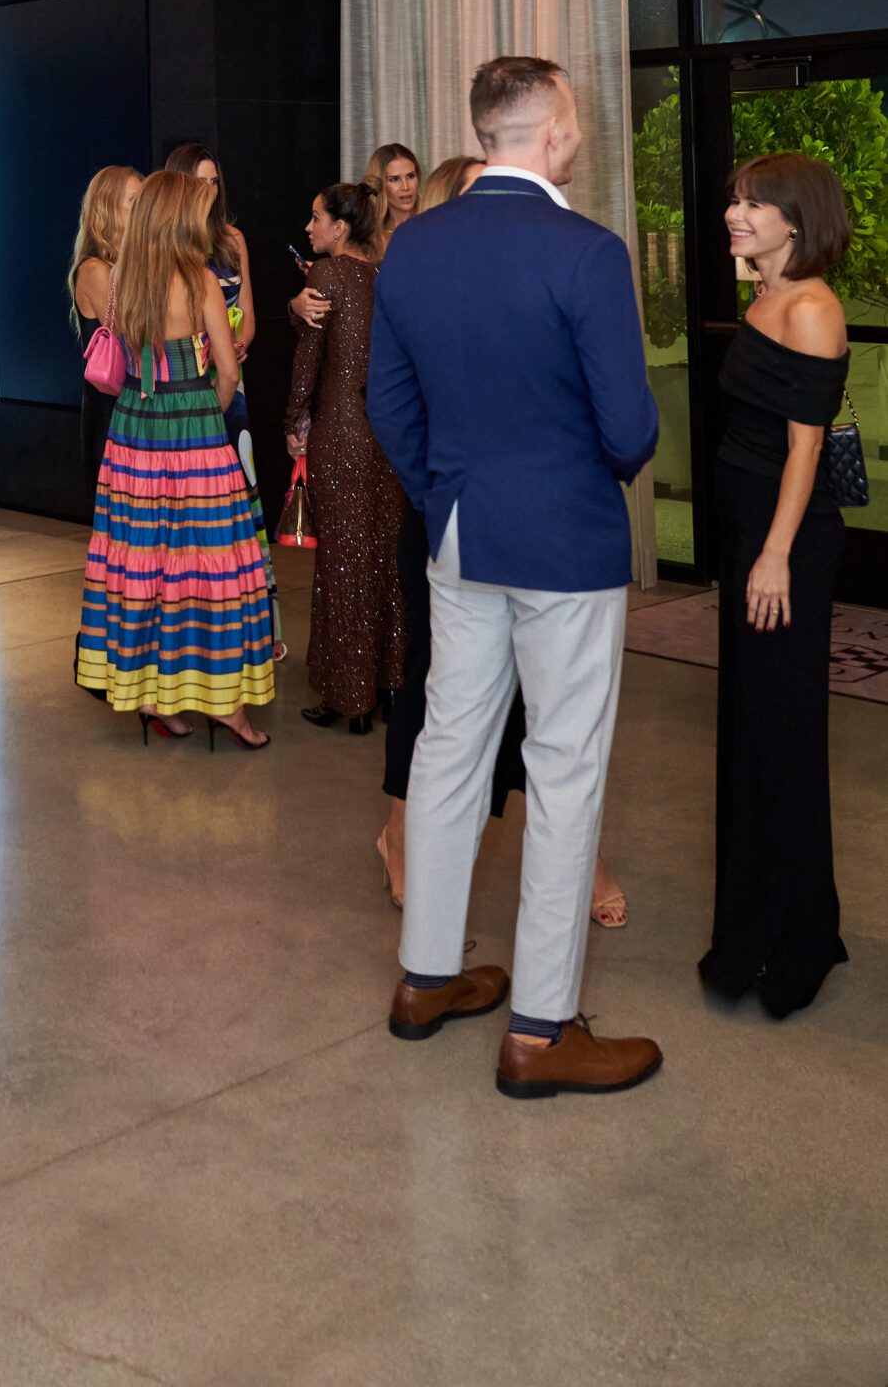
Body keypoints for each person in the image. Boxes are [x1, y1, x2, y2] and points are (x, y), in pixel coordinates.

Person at [367, 57, 663, 1100]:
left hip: (460, 533)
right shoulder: (587, 252)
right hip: (569, 544)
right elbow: (629, 427)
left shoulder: (414, 248)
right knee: (564, 761)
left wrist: (447, 492)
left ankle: (426, 978)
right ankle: (540, 1028)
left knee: (451, 748)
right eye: (576, 116)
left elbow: (389, 404)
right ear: (554, 129)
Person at [375, 153, 628, 931]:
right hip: (464, 512)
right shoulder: (435, 272)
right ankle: (400, 837)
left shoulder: (487, 265)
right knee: (456, 708)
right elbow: (393, 401)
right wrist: (436, 493)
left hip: (486, 510)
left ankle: (435, 965)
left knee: (508, 718)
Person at [701, 153, 853, 1016]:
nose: (736, 212)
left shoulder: (810, 308)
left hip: (784, 543)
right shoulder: (761, 296)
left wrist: (772, 553)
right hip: (750, 533)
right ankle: (753, 925)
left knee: (782, 731)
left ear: (795, 219)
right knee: (751, 729)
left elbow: (804, 447)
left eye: (754, 203)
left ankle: (796, 938)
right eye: (734, 200)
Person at [75, 169, 275, 747]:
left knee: (144, 567)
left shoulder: (125, 279)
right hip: (193, 431)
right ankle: (225, 708)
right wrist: (204, 412)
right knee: (211, 568)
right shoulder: (200, 281)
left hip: (134, 431)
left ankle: (151, 698)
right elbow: (230, 372)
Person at [287, 182, 405, 735]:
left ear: (340, 227)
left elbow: (309, 357)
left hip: (339, 433)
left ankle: (347, 697)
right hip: (387, 438)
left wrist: (294, 422)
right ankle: (385, 684)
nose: (309, 228)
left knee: (341, 566)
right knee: (382, 561)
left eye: (316, 218)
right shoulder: (384, 276)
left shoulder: (327, 275)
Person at [164, 140, 281, 659]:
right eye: (199, 182)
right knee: (195, 513)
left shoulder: (232, 239)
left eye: (215, 181)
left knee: (245, 503)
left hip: (232, 388)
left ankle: (262, 630)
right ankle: (202, 633)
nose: (208, 191)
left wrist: (234, 346)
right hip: (187, 390)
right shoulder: (166, 245)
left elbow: (250, 315)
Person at [69, 164, 142, 501]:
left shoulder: (130, 263)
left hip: (133, 404)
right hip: (112, 411)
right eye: (134, 200)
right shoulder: (95, 269)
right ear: (109, 208)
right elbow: (131, 333)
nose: (143, 208)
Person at [363, 142, 423, 259]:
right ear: (379, 185)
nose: (405, 187)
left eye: (411, 176)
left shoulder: (434, 224)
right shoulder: (369, 236)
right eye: (394, 179)